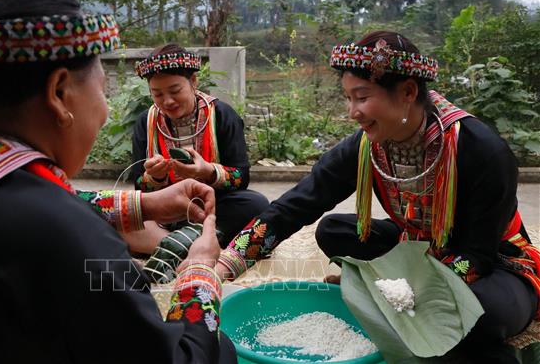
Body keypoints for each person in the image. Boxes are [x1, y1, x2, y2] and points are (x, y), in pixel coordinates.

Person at [0, 0, 236, 363]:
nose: (106, 111)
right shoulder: (68, 232)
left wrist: (143, 204)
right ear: (59, 92)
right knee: (219, 348)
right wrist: (198, 270)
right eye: (102, 90)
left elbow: (37, 205)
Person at [215, 31, 539, 362]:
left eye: (362, 97)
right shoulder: (366, 145)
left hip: (493, 265)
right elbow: (296, 205)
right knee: (333, 230)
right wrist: (224, 266)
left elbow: (477, 256)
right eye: (348, 98)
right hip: (415, 249)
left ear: (408, 92)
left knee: (477, 318)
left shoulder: (480, 149)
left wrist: (393, 295)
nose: (352, 111)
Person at [127, 44, 269, 280]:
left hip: (214, 207)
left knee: (256, 204)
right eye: (157, 94)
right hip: (168, 210)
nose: (167, 101)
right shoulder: (145, 122)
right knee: (121, 214)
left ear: (193, 82)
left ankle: (174, 244)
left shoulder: (223, 115)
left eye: (175, 90)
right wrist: (156, 176)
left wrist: (207, 172)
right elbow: (139, 185)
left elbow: (241, 177)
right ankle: (198, 244)